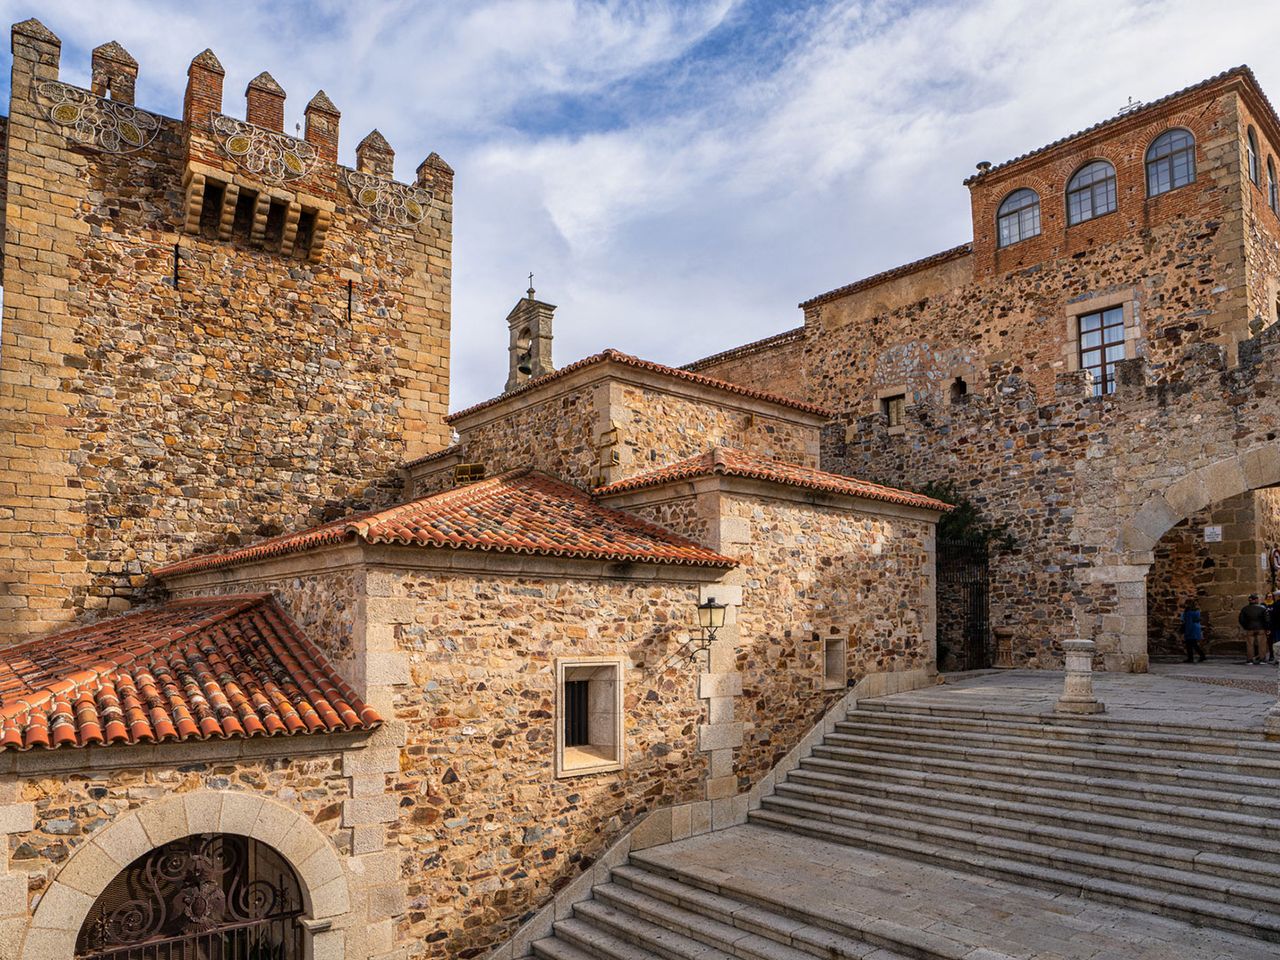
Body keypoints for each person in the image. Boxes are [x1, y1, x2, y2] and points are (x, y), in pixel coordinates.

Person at [1238, 594, 1270, 665]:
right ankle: (1262, 659)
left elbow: (1241, 620)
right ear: (1256, 600)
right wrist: (1267, 628)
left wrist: (1245, 626)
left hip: (1250, 628)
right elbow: (1267, 619)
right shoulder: (1263, 608)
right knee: (1262, 644)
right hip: (1261, 628)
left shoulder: (1245, 609)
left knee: (1249, 644)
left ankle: (1250, 660)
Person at [1180, 598, 1206, 663]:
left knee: (1189, 644)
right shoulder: (1196, 611)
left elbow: (1189, 623)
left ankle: (1191, 658)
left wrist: (1187, 633)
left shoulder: (1188, 612)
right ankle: (1201, 655)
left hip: (1191, 629)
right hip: (1196, 629)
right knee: (1194, 644)